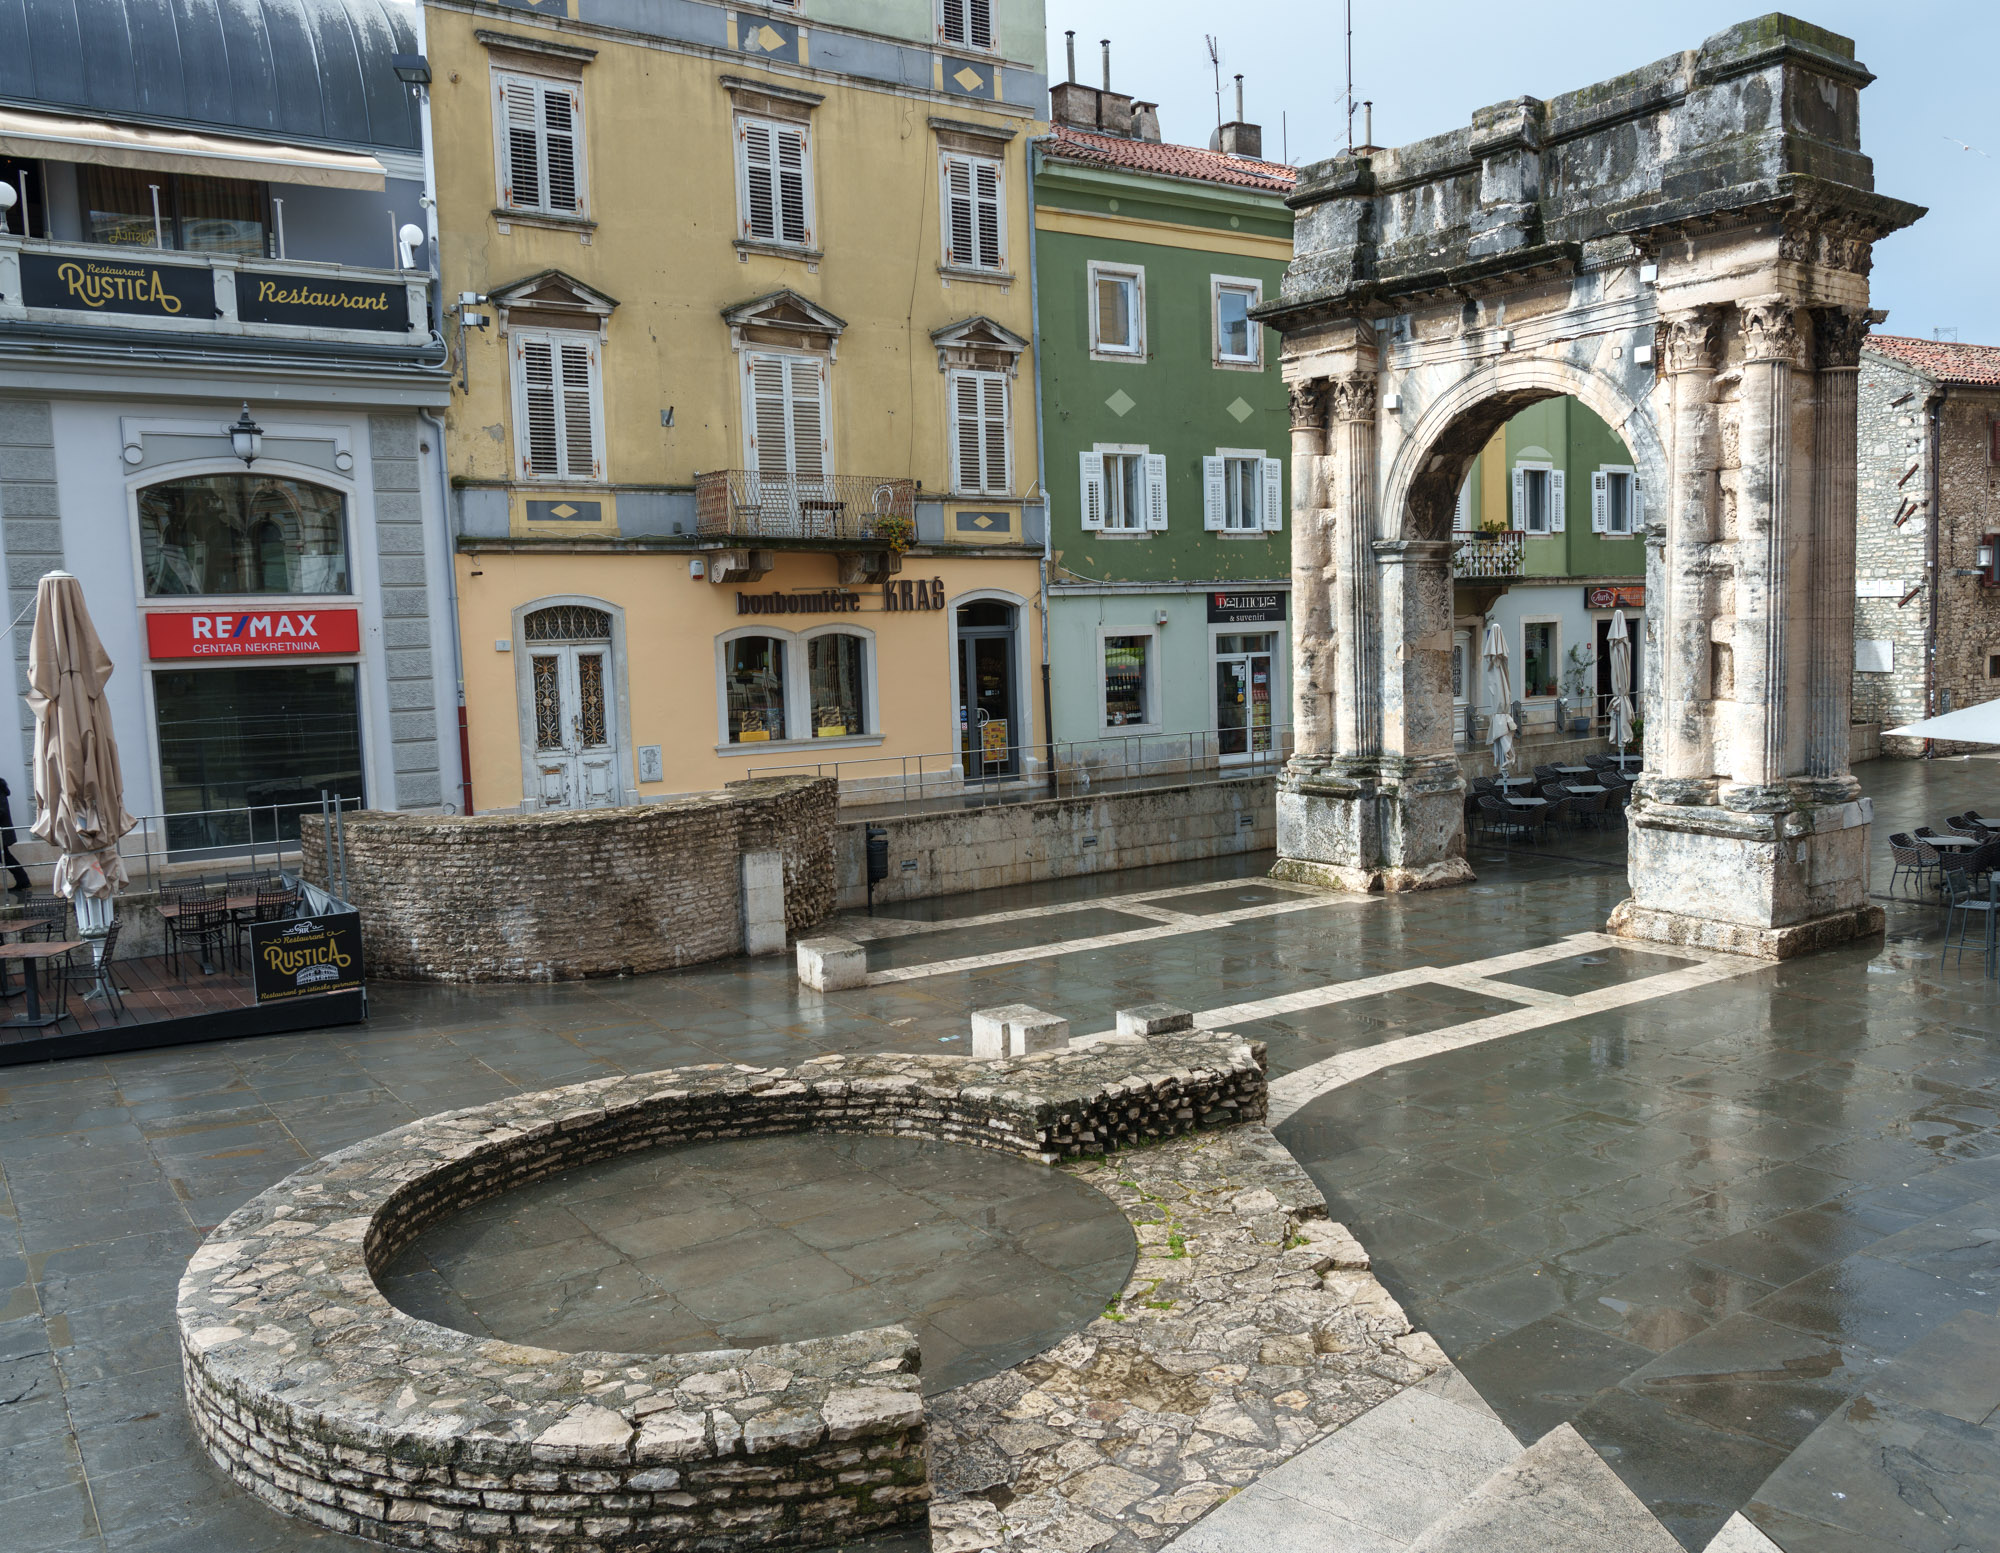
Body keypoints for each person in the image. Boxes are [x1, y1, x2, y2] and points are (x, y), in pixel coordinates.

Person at [0, 777, 30, 895]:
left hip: (2, 832)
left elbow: (1, 811)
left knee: (6, 858)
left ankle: (23, 880)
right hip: (2, 832)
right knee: (6, 858)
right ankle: (23, 880)